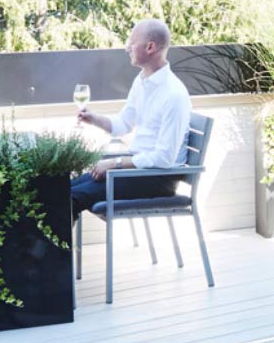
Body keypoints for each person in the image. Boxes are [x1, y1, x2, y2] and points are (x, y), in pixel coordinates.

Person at [73, 19, 193, 217]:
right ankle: (47, 248)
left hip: (157, 179)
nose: (127, 48)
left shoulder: (174, 95)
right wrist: (93, 118)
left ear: (150, 47)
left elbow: (164, 158)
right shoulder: (142, 81)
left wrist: (114, 163)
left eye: (132, 42)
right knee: (60, 190)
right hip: (136, 170)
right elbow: (123, 125)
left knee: (72, 196)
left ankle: (50, 248)